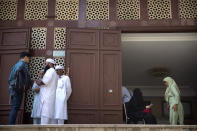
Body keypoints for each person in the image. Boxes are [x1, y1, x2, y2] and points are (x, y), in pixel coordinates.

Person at [8, 52, 31, 124]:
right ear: (25, 57)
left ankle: (11, 125)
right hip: (17, 89)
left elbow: (10, 78)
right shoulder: (23, 65)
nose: (29, 59)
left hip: (13, 88)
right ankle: (10, 126)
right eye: (28, 57)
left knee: (14, 107)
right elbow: (22, 77)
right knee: (15, 107)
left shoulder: (16, 65)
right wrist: (23, 86)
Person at [36, 58, 58, 124]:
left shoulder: (50, 71)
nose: (45, 65)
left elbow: (45, 82)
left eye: (46, 63)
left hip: (47, 96)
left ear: (50, 64)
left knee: (45, 115)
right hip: (50, 96)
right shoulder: (54, 72)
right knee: (51, 116)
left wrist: (38, 82)